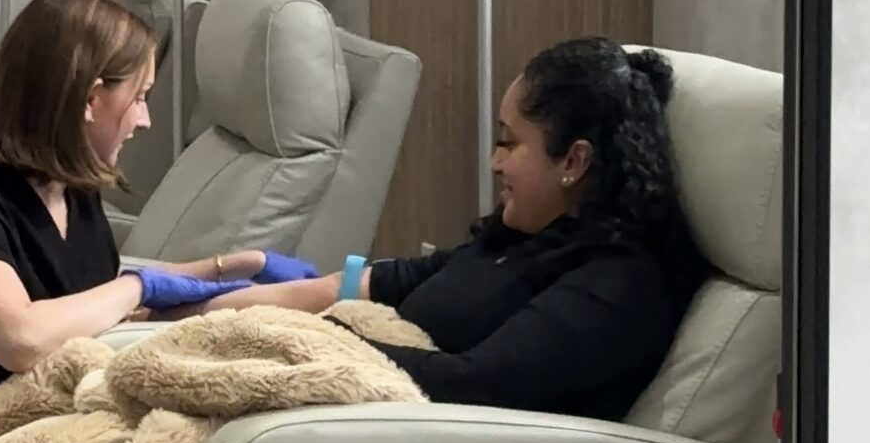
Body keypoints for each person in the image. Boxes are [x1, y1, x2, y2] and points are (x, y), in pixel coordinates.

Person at [0, 0, 304, 443]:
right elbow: (21, 338)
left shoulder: (75, 198)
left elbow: (97, 315)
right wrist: (138, 286)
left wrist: (232, 268)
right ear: (90, 98)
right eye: (140, 97)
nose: (144, 119)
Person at [212, 40, 704, 418]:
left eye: (509, 144)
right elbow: (349, 286)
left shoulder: (617, 285)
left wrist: (311, 342)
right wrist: (185, 304)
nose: (494, 162)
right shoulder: (514, 240)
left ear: (573, 160)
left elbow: (476, 384)